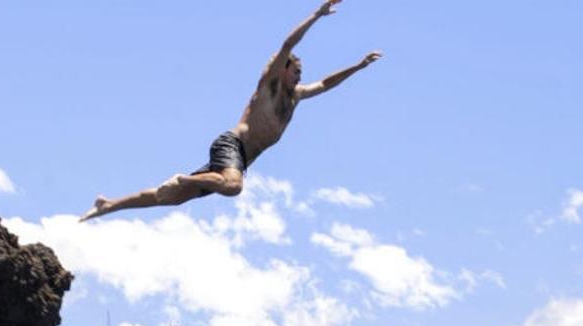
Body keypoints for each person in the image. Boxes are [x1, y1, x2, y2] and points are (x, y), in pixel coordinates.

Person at [80, 0, 381, 221]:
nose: (300, 76)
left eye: (301, 72)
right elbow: (287, 44)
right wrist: (316, 15)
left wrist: (358, 66)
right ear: (282, 70)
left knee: (168, 198)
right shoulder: (268, 86)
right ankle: (186, 178)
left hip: (239, 160)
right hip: (231, 145)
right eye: (295, 71)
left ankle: (108, 205)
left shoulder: (295, 97)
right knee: (233, 187)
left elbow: (327, 83)